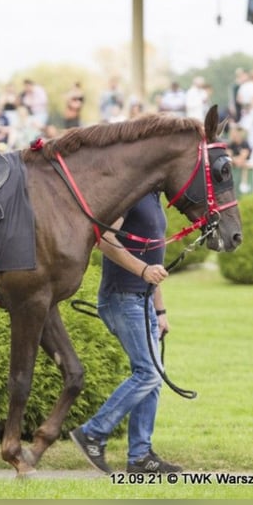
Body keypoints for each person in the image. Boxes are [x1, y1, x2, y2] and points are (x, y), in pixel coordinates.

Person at [70, 192, 183, 475]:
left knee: (152, 378)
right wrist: (143, 271)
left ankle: (140, 457)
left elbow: (153, 260)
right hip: (122, 297)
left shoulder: (154, 197)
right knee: (149, 373)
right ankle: (93, 433)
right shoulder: (131, 193)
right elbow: (104, 240)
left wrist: (160, 311)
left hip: (142, 300)